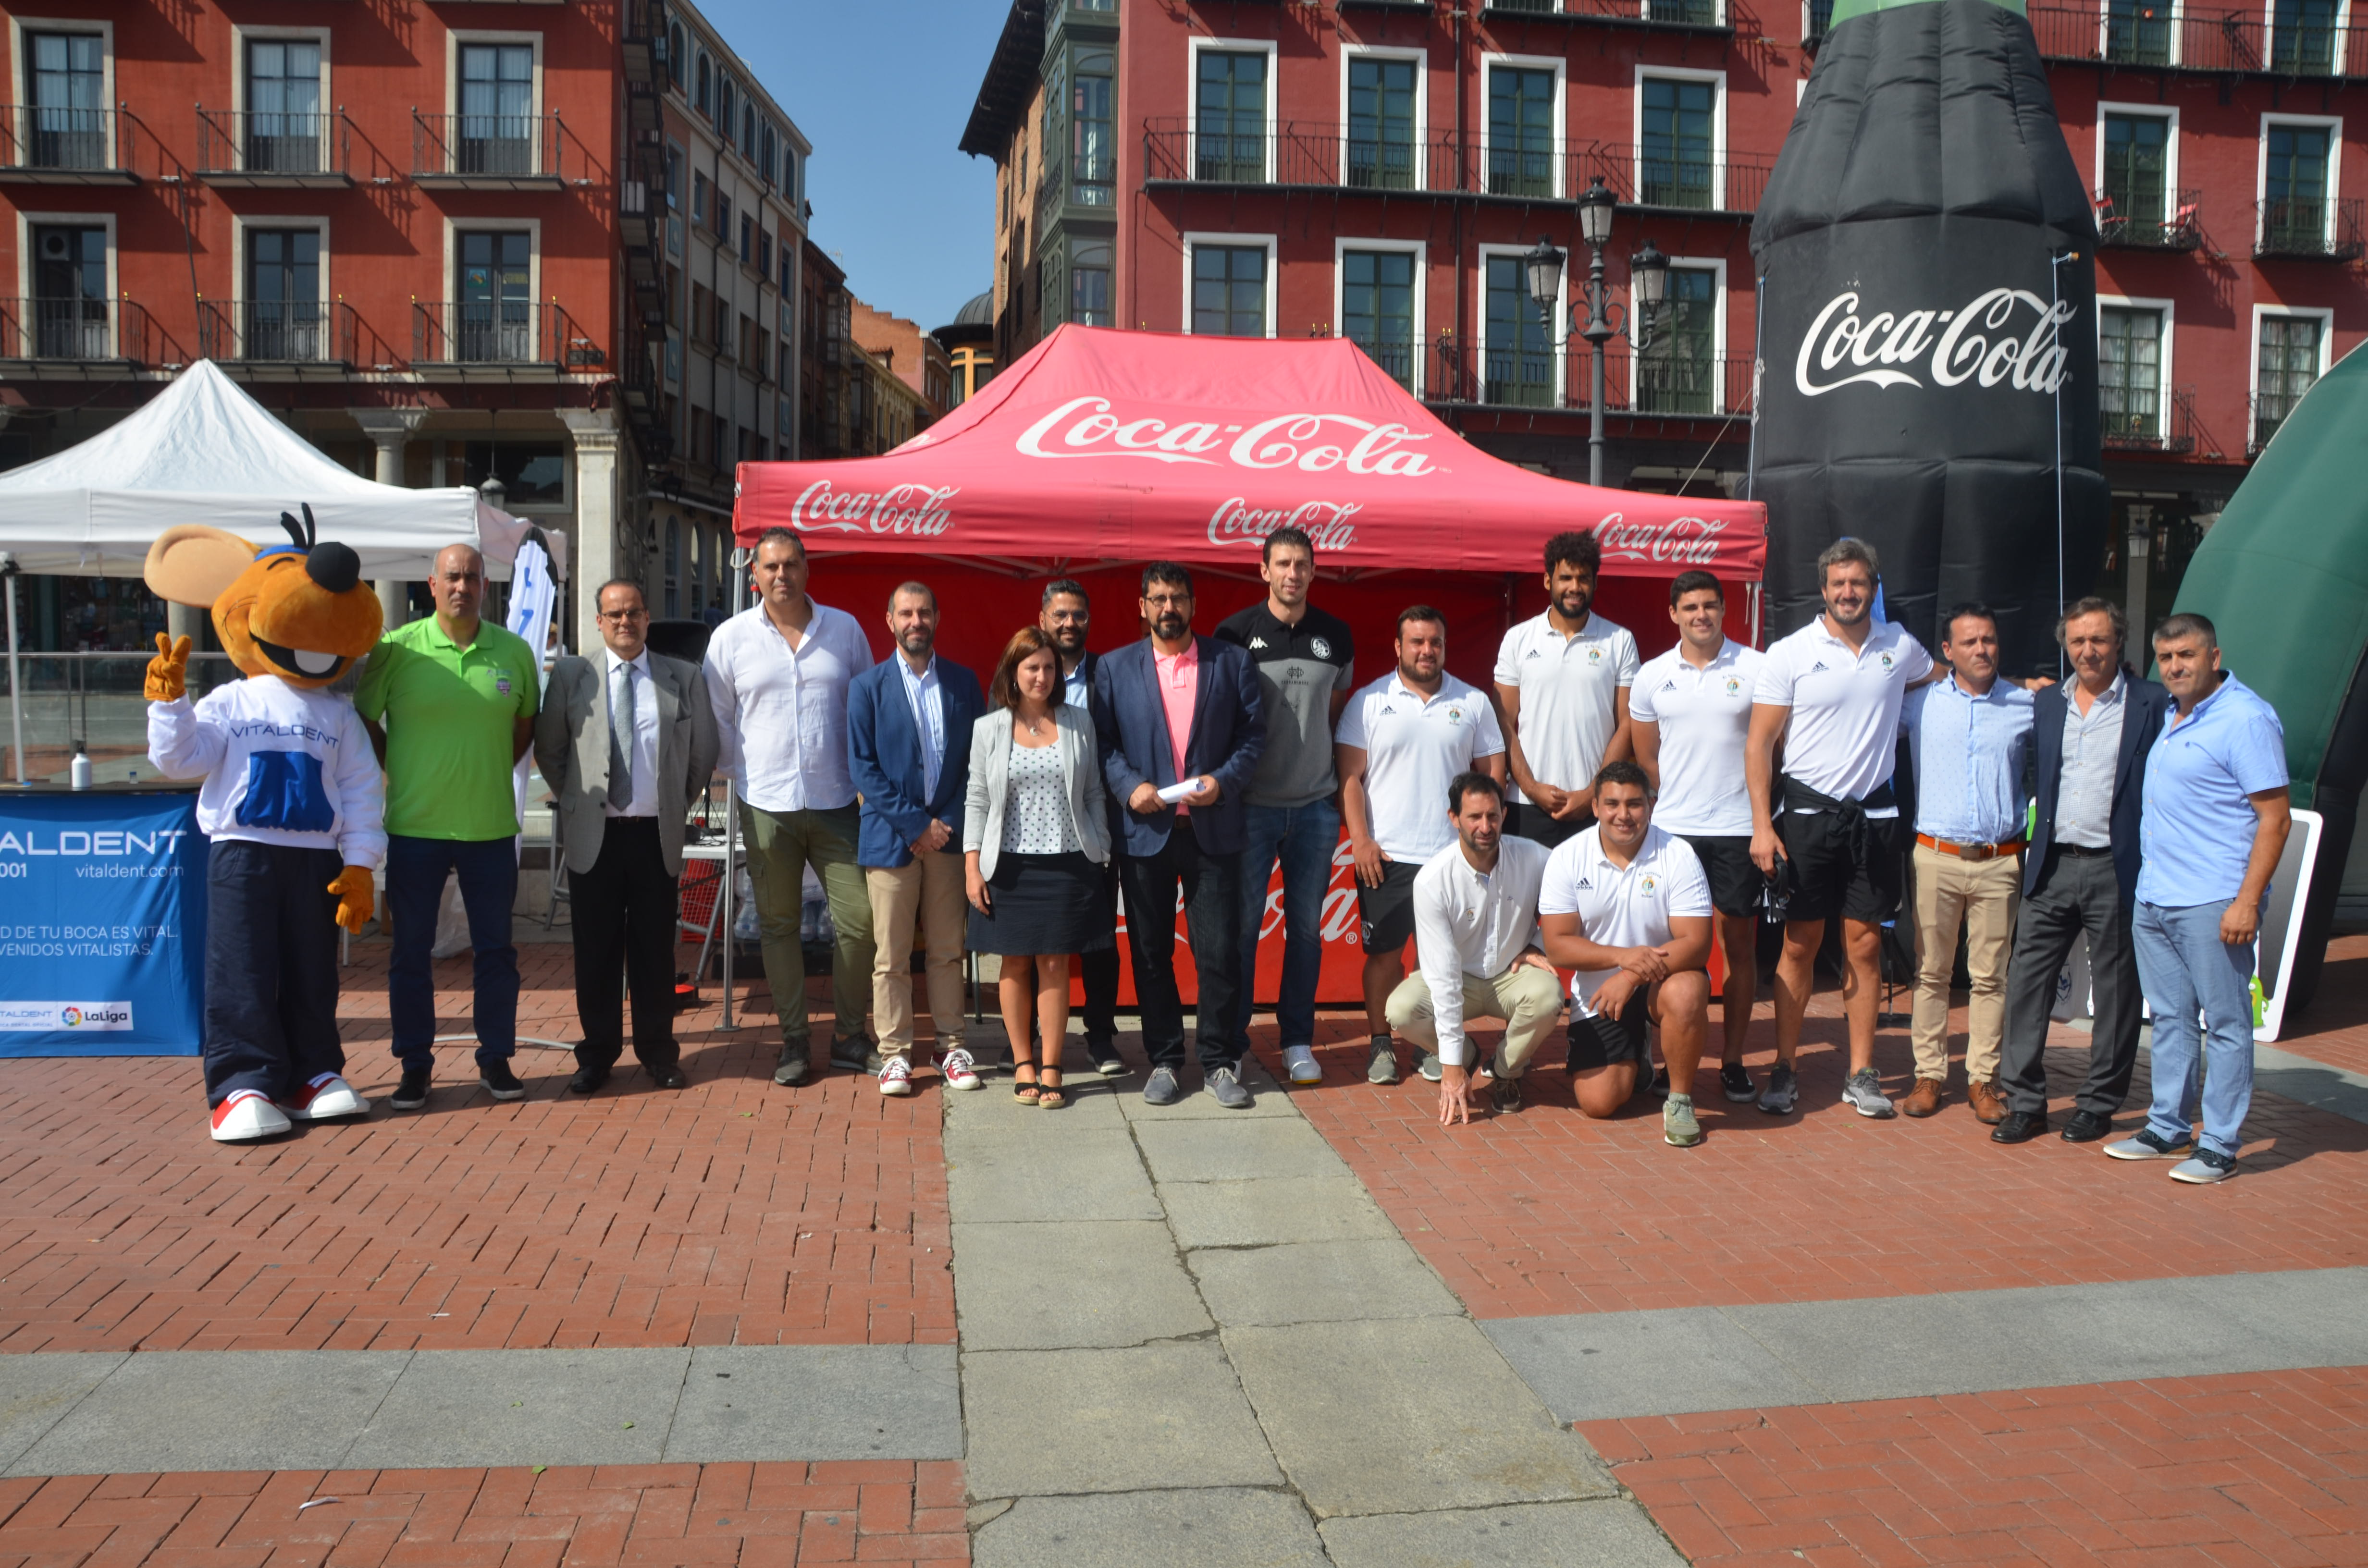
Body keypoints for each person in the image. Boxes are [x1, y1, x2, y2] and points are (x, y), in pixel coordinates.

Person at [1746, 537, 1935, 1119]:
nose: (1847, 592)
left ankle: (1861, 1073)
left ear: (1873, 589)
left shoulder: (1900, 647)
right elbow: (1759, 743)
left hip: (1873, 820)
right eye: (1838, 583)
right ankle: (1784, 1067)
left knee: (1866, 945)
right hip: (1806, 819)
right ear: (1823, 590)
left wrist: (2018, 688)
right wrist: (1761, 827)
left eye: (1857, 583)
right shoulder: (1790, 653)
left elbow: (1942, 678)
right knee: (1798, 944)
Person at [2105, 613, 2291, 1184]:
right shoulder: (2169, 713)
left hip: (2214, 900)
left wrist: (2247, 901)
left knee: (2227, 1024)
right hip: (2156, 896)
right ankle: (2166, 1127)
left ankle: (2218, 1145)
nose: (2174, 666)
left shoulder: (2245, 719)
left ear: (2213, 657)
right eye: (2165, 657)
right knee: (2169, 1018)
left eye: (2185, 655)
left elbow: (2275, 819)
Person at [355, 543, 540, 1112]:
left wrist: (486, 768)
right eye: (453, 577)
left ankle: (496, 1057)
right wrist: (396, 767)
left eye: (473, 578)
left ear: (486, 585)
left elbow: (524, 727)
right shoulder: (395, 649)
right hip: (415, 829)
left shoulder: (514, 652)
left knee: (496, 953)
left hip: (490, 828)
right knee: (410, 954)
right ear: (432, 585)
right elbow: (364, 720)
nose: (463, 587)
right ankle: (415, 1066)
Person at [703, 528, 877, 1088]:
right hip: (765, 803)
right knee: (777, 926)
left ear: (806, 569)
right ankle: (795, 1040)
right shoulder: (731, 638)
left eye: (791, 565)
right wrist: (740, 775)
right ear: (754, 575)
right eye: (771, 567)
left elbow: (866, 707)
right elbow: (718, 715)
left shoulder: (845, 630)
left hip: (837, 798)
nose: (781, 575)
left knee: (860, 923)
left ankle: (850, 1037)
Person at [1992, 600, 2171, 1146]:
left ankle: (2097, 1104)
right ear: (2065, 646)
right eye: (2077, 642)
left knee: (2116, 993)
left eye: (2098, 640)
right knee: (2026, 983)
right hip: (2051, 865)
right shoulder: (2048, 702)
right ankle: (2025, 1103)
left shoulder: (2151, 702)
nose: (2087, 651)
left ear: (2119, 642)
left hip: (2114, 867)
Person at [534, 578, 718, 1094]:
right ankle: (596, 1056)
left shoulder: (682, 677)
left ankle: (658, 1053)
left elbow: (702, 752)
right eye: (614, 614)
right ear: (598, 621)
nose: (625, 622)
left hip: (654, 836)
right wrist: (578, 802)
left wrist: (673, 801)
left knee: (654, 951)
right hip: (594, 836)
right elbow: (550, 750)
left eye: (633, 612)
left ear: (647, 617)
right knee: (595, 951)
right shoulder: (572, 675)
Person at [1092, 563, 1266, 1109]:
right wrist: (1129, 787)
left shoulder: (1231, 662)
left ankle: (1218, 1061)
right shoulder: (1114, 668)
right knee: (1151, 954)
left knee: (1218, 953)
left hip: (1212, 831)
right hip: (1146, 833)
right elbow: (1103, 744)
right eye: (1158, 598)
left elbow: (1252, 737)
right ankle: (1165, 1060)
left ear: (1193, 604)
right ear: (1142, 606)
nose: (1169, 607)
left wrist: (1224, 781)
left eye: (1178, 598)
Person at [1337, 606, 1507, 1086]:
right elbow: (1349, 777)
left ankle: (1429, 1045)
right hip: (1387, 856)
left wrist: (1482, 835)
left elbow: (1494, 772)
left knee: (1439, 958)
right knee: (1384, 957)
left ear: (1444, 647)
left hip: (1452, 857)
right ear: (1398, 646)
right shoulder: (1368, 702)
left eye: (1435, 642)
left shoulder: (1472, 702)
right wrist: (1361, 840)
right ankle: (1380, 1044)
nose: (1426, 650)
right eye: (1416, 642)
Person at [1214, 527, 1357, 1087]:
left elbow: (1333, 716)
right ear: (1263, 570)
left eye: (1301, 564)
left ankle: (1297, 1040)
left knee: (1305, 932)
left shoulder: (1336, 635)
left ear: (1312, 571)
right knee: (1243, 931)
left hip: (1315, 807)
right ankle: (1234, 1043)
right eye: (1282, 564)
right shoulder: (1233, 634)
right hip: (1251, 807)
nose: (1292, 573)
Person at [1629, 569, 1766, 1105]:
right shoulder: (1652, 675)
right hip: (1672, 832)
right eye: (1690, 607)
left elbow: (1771, 748)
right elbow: (1647, 759)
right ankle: (1670, 1058)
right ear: (1673, 614)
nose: (1701, 615)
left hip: (1737, 829)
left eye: (1709, 605)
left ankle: (1732, 1061)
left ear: (1724, 609)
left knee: (1738, 947)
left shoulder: (1756, 667)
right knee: (1668, 949)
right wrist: (1669, 806)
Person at [847, 582, 986, 1097]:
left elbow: (976, 761)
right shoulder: (867, 687)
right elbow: (862, 768)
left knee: (948, 951)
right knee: (891, 956)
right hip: (890, 841)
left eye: (924, 612)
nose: (915, 621)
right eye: (905, 613)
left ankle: (950, 1047)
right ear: (889, 621)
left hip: (947, 841)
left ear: (936, 618)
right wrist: (915, 825)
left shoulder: (963, 683)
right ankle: (895, 1055)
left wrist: (941, 824)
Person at [1897, 603, 2034, 1122]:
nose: (1982, 649)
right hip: (1937, 856)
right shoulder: (1919, 704)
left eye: (1989, 640)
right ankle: (1929, 1075)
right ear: (1947, 651)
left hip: (2000, 861)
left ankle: (1982, 1081)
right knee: (1931, 972)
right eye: (1970, 642)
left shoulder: (2024, 704)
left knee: (1990, 977)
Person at [967, 627, 1114, 1109]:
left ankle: (1052, 1065)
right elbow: (976, 799)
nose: (1042, 676)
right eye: (1032, 667)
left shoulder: (1078, 722)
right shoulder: (990, 728)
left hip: (1069, 862)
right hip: (1008, 865)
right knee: (1014, 962)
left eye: (1049, 667)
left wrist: (1102, 845)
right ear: (1013, 672)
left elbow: (1093, 792)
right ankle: (1022, 1062)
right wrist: (972, 866)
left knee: (1055, 963)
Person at [1539, 762, 1715, 1144]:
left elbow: (1697, 943)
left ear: (1651, 805)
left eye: (1634, 804)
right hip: (1602, 993)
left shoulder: (1679, 854)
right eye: (1612, 804)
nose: (1624, 815)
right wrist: (1623, 958)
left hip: (1662, 982)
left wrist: (1632, 974)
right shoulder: (1567, 857)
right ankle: (1640, 1050)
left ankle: (1680, 1100)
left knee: (1687, 992)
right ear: (1595, 807)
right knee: (1599, 1103)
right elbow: (1557, 945)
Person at [1387, 772, 1562, 1125]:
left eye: (1493, 816)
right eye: (1474, 817)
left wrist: (1539, 944)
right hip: (1458, 979)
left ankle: (1506, 1072)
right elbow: (1444, 978)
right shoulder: (1432, 881)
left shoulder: (1534, 857)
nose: (1485, 826)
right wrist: (1452, 1064)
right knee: (1401, 1010)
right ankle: (1468, 1056)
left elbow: (1577, 897)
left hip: (1512, 974)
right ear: (1454, 818)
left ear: (1504, 815)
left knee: (1549, 996)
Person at [1494, 530, 1639, 849]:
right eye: (1566, 578)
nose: (1575, 587)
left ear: (1595, 583)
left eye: (1583, 578)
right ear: (1548, 581)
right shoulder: (1519, 639)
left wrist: (1593, 792)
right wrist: (1531, 788)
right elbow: (1502, 721)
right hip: (1526, 804)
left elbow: (1628, 724)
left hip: (1596, 806)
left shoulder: (1620, 641)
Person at [1041, 578, 1124, 1077]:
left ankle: (1101, 1036)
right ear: (1043, 619)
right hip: (1034, 832)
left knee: (1099, 938)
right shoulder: (1023, 672)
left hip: (1095, 827)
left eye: (1078, 615)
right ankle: (1030, 1038)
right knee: (1037, 940)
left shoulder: (1109, 675)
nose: (1069, 623)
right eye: (1060, 615)